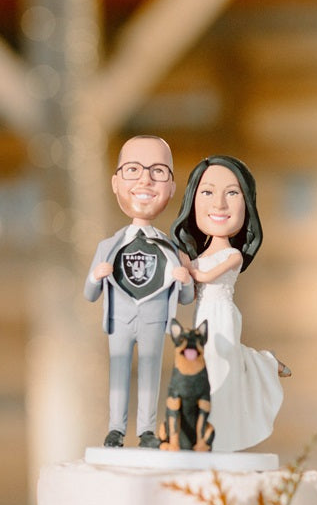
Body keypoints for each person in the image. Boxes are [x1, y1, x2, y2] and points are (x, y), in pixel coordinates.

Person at [171, 155, 289, 453]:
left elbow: (206, 276)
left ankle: (264, 365)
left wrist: (188, 269)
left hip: (221, 313)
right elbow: (190, 288)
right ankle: (206, 432)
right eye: (208, 192)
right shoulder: (197, 256)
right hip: (202, 315)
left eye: (232, 193)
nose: (219, 204)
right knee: (205, 366)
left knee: (223, 363)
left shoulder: (232, 256)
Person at [85, 135, 194, 448]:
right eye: (133, 169)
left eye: (158, 171)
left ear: (171, 187)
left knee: (150, 375)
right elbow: (89, 293)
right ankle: (115, 429)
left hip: (153, 319)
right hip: (119, 320)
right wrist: (96, 274)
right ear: (116, 182)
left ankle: (146, 429)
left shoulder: (172, 248)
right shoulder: (107, 247)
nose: (145, 178)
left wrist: (184, 279)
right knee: (118, 375)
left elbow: (186, 298)